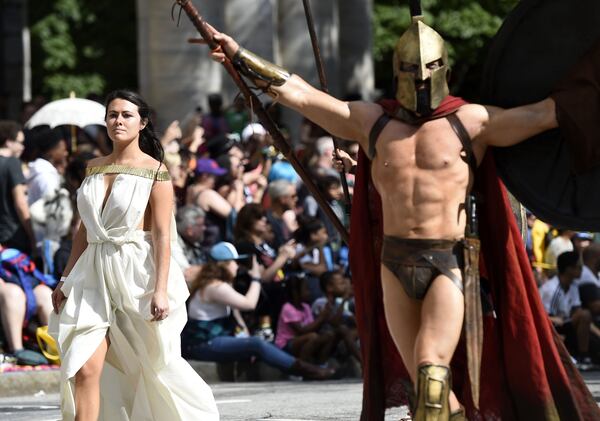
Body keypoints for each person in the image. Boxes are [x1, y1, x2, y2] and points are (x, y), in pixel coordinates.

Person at [209, 12, 600, 419]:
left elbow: (548, 113)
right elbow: (303, 95)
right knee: (427, 390)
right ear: (397, 70)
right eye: (411, 68)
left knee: (432, 372)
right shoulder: (372, 122)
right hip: (392, 263)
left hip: (448, 263)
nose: (421, 78)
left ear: (444, 68)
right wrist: (239, 54)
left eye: (430, 67)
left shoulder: (472, 121)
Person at [48, 90, 218, 420]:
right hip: (92, 273)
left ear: (142, 123)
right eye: (112, 114)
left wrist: (159, 288)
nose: (118, 120)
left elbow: (163, 235)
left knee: (153, 367)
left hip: (136, 274)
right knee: (83, 369)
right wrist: (65, 278)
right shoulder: (92, 167)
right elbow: (84, 230)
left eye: (126, 115)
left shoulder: (156, 170)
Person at [182, 241, 334, 380]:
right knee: (256, 344)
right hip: (202, 344)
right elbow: (249, 304)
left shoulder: (215, 284)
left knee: (255, 341)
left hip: (211, 340)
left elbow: (234, 312)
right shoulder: (215, 287)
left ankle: (303, 369)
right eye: (235, 262)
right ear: (223, 264)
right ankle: (306, 370)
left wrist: (243, 332)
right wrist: (256, 278)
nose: (238, 266)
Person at [539, 251, 596, 370]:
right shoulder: (551, 289)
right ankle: (580, 356)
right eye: (579, 267)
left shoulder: (573, 286)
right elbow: (543, 318)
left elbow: (577, 312)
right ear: (569, 269)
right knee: (584, 315)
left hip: (566, 324)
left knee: (585, 315)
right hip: (552, 326)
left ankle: (583, 357)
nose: (582, 269)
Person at [274, 274, 337, 366]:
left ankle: (321, 365)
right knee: (312, 337)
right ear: (296, 292)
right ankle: (300, 368)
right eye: (306, 289)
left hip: (302, 340)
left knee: (329, 335)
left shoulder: (306, 307)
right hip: (286, 344)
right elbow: (301, 331)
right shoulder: (287, 308)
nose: (309, 292)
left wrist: (324, 315)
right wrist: (321, 318)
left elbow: (313, 327)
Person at [0, 120, 36, 255]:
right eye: (20, 142)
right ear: (9, 142)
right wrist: (32, 236)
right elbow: (20, 203)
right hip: (12, 235)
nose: (23, 147)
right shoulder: (13, 163)